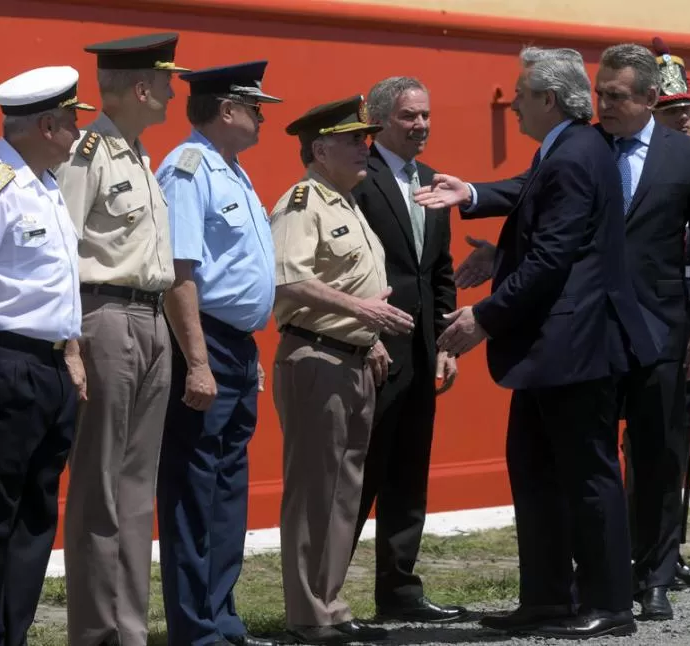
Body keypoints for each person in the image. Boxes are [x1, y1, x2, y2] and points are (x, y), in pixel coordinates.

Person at [441, 42, 690, 620]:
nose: (605, 104)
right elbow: (540, 202)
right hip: (582, 333)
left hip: (641, 331)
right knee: (552, 467)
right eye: (600, 94)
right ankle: (555, 595)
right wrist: (474, 198)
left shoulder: (679, 155)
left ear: (651, 99)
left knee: (649, 460)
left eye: (617, 96)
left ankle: (640, 586)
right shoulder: (587, 145)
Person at [416, 45, 656, 639]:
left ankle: (609, 604)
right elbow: (529, 189)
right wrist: (470, 193)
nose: (514, 104)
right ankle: (547, 598)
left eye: (521, 95)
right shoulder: (571, 148)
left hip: (573, 349)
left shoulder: (573, 156)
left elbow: (551, 258)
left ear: (548, 99)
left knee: (587, 476)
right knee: (536, 469)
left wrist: (485, 320)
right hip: (553, 351)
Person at [53, 33, 188, 646]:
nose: (172, 89)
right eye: (165, 79)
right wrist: (70, 344)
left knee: (136, 491)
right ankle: (94, 632)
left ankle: (127, 630)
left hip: (150, 318)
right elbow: (62, 247)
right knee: (100, 487)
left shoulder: (137, 155)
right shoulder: (89, 153)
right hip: (104, 316)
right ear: (140, 87)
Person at [271, 96, 413, 644]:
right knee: (314, 491)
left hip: (353, 359)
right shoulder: (304, 201)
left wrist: (369, 336)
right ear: (320, 148)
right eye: (354, 139)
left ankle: (331, 606)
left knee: (344, 491)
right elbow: (288, 281)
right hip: (316, 358)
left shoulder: (346, 203)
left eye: (366, 137)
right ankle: (307, 614)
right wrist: (363, 313)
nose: (365, 146)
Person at [154, 61, 281, 646]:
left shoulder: (234, 172)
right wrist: (199, 361)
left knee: (228, 490)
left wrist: (243, 352)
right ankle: (196, 629)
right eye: (255, 107)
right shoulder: (188, 170)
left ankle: (222, 619)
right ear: (227, 110)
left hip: (234, 345)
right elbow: (180, 273)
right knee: (192, 491)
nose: (261, 117)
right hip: (200, 343)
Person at [350, 77, 466, 623]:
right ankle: (324, 596)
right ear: (379, 121)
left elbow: (439, 272)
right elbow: (347, 270)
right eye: (408, 117)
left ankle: (399, 590)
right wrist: (366, 335)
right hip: (372, 352)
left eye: (425, 115)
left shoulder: (430, 180)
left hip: (421, 353)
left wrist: (448, 343)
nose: (420, 125)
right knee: (360, 474)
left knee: (408, 473)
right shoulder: (358, 177)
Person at [620, 36, 690, 594]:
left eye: (685, 111)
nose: (680, 120)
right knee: (642, 447)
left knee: (672, 443)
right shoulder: (625, 156)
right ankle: (639, 554)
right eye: (669, 112)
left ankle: (666, 552)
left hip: (680, 325)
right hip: (630, 321)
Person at [0, 65, 93, 646]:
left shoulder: (48, 184)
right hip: (9, 362)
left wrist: (73, 354)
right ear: (47, 123)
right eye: (72, 121)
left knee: (36, 515)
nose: (79, 132)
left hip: (53, 368)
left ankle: (15, 632)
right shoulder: (5, 185)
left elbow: (60, 286)